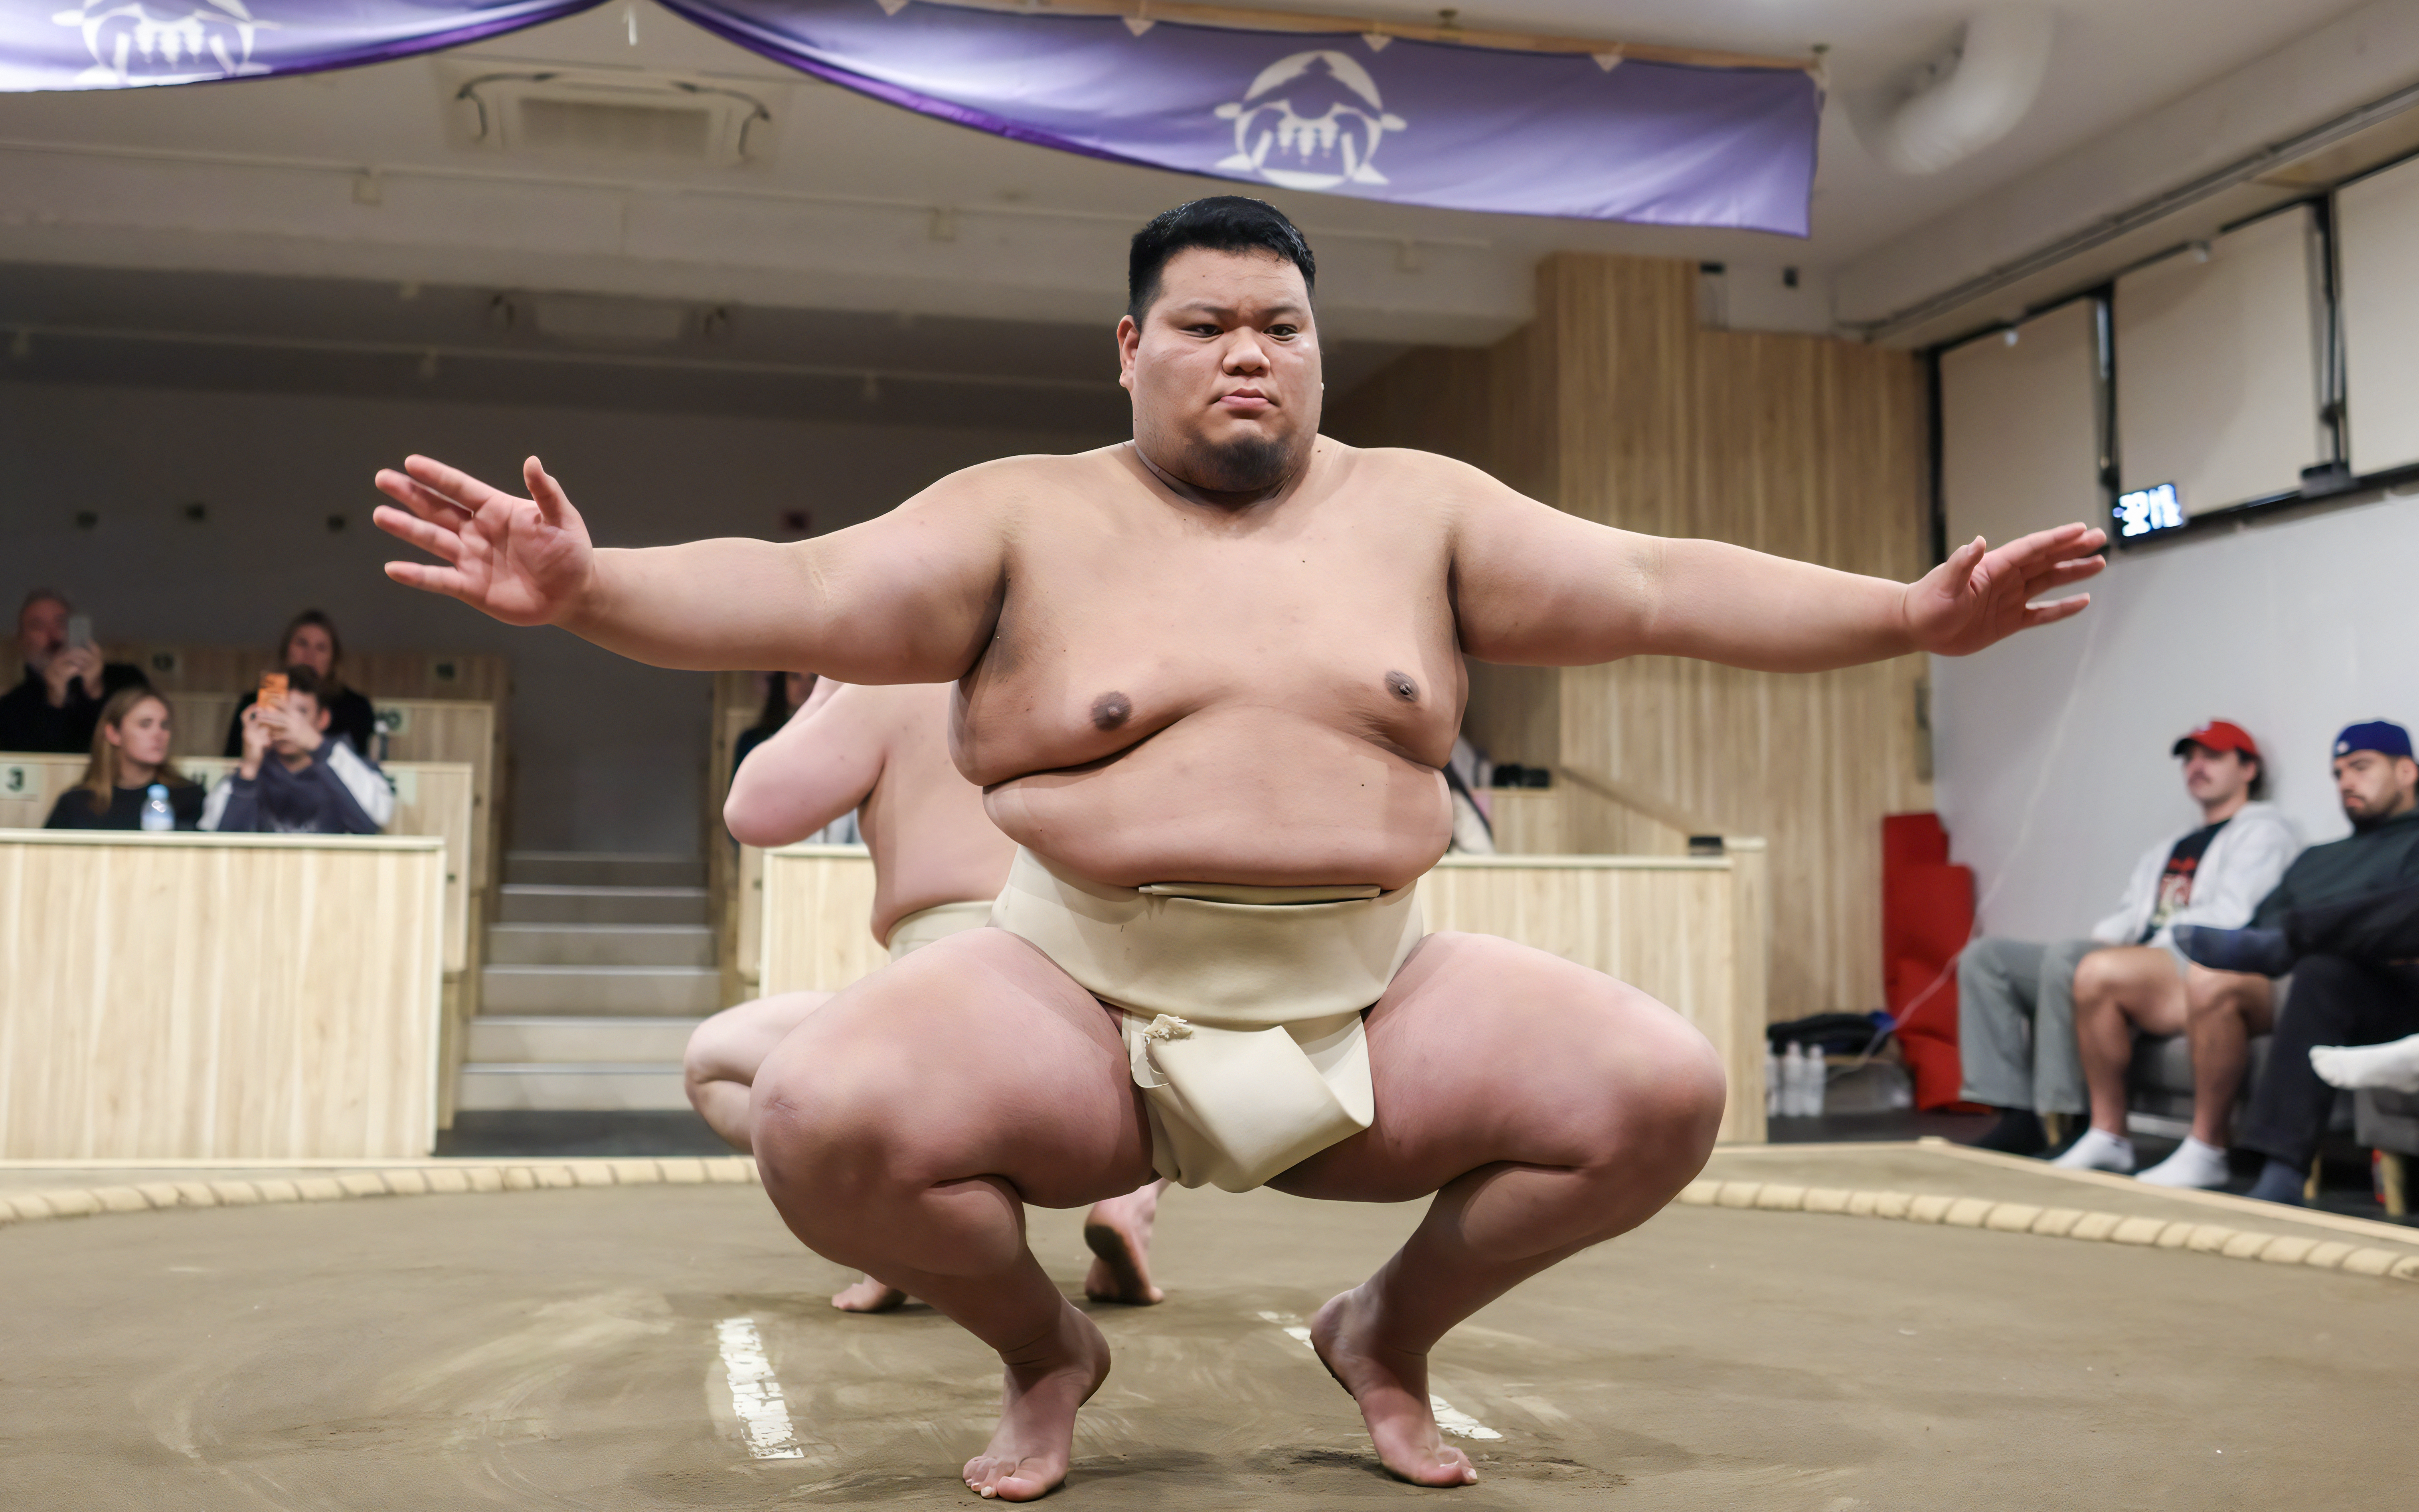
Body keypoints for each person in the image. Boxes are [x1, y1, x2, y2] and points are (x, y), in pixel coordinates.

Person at [374, 196, 2104, 1499]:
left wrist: (1901, 615)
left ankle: (1384, 1335)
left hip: (1366, 986)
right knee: (822, 1117)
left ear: (1318, 347)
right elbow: (808, 589)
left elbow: (1658, 585)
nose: (1249, 350)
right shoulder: (1021, 513)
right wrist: (590, 586)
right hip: (1070, 990)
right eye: (1203, 323)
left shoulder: (1420, 508)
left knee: (1656, 1089)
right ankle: (1044, 1343)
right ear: (1128, 350)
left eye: (1280, 322)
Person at [689, 677, 1172, 1311]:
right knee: (1176, 1043)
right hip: (1087, 1024)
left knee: (712, 1062)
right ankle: (1129, 1201)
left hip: (929, 1011)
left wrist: (831, 688)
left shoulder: (890, 685)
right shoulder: (1085, 673)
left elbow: (752, 813)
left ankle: (894, 1230)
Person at [1957, 722, 2298, 1174]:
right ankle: (2015, 1110)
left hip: (2188, 957)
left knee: (2075, 962)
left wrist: (2127, 952)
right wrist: (2103, 942)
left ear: (2248, 768)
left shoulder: (2264, 832)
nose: (2196, 767)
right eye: (2189, 758)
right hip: (2140, 953)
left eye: (2212, 757)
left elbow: (2232, 915)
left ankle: (2067, 1120)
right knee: (1986, 958)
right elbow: (2125, 915)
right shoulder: (2169, 846)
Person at [2157, 721, 2419, 1202]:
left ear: (2406, 772)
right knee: (2321, 971)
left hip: (2410, 985)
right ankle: (2280, 1171)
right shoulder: (2317, 859)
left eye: (2359, 768)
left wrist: (2295, 937)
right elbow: (2262, 923)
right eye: (2337, 773)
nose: (2345, 782)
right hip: (2344, 995)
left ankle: (2294, 943)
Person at [201, 666, 395, 834]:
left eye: (302, 712)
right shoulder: (249, 773)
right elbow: (216, 841)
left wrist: (318, 746)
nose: (289, 723)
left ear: (323, 719)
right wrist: (250, 767)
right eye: (280, 712)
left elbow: (374, 822)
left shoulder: (344, 762)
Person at [0, 589, 147, 753]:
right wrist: (55, 702)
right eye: (38, 626)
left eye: (62, 624)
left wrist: (95, 691)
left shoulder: (128, 680)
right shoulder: (9, 710)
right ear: (21, 641)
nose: (54, 636)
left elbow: (138, 746)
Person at [42, 685, 204, 830]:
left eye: (165, 725)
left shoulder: (190, 797)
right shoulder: (76, 804)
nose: (158, 734)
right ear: (114, 734)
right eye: (145, 724)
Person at [221, 610, 378, 759]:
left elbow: (360, 769)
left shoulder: (356, 707)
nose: (310, 655)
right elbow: (233, 761)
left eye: (321, 648)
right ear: (286, 650)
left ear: (333, 659)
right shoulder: (254, 702)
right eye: (302, 644)